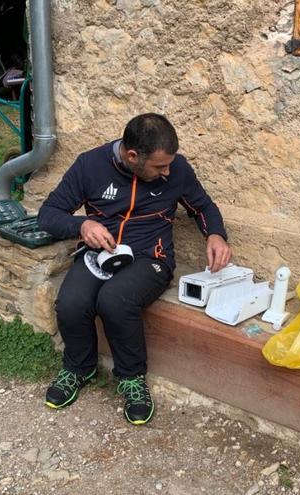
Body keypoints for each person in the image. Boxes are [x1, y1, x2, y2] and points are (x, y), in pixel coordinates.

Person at [37, 113, 231, 425]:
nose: (167, 171)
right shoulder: (90, 166)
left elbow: (203, 206)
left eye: (169, 164)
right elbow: (48, 215)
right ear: (132, 156)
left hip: (150, 257)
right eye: (159, 166)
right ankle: (79, 367)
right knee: (72, 302)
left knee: (115, 300)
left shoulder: (176, 169)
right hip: (101, 253)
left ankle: (131, 378)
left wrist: (216, 234)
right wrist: (82, 224)